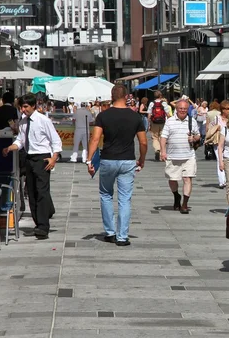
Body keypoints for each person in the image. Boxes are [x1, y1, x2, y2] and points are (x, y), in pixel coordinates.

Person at [86, 84, 147, 246]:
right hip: (127, 160)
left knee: (106, 195)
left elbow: (94, 139)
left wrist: (89, 159)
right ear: (127, 97)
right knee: (125, 199)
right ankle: (122, 237)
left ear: (112, 96)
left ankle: (110, 231)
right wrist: (142, 159)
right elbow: (143, 142)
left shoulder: (103, 116)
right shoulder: (135, 117)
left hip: (108, 159)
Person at [2, 93, 62, 240]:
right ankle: (38, 223)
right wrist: (10, 147)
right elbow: (21, 140)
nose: (23, 110)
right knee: (32, 193)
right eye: (21, 107)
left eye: (25, 107)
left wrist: (53, 158)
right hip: (29, 158)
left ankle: (43, 226)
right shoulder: (23, 122)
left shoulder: (43, 120)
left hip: (42, 158)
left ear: (33, 106)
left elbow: (55, 140)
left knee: (41, 191)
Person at [160, 99, 201, 214]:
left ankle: (184, 204)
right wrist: (163, 151)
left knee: (187, 178)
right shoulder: (170, 121)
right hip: (173, 156)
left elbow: (198, 136)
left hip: (189, 155)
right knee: (172, 179)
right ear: (176, 109)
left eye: (185, 109)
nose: (182, 111)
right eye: (180, 109)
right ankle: (176, 196)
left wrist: (194, 138)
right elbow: (163, 137)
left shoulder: (192, 121)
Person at [148, 91, 172, 161]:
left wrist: (149, 123)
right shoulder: (164, 103)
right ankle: (162, 154)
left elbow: (149, 115)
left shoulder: (152, 103)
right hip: (162, 123)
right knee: (162, 137)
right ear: (160, 96)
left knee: (155, 137)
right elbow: (168, 114)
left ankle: (157, 149)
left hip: (154, 122)